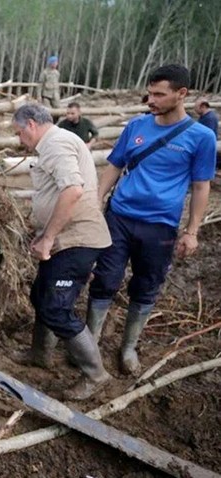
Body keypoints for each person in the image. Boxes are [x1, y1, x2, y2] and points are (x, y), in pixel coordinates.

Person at [86, 65, 217, 376]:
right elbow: (114, 166)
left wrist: (192, 231)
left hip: (160, 225)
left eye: (160, 94)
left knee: (146, 285)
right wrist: (96, 202)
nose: (151, 99)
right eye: (150, 92)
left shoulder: (202, 137)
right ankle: (89, 343)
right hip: (119, 217)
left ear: (181, 94)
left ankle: (128, 346)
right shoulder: (136, 127)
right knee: (105, 278)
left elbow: (201, 186)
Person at [10, 103, 112, 400]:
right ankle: (40, 354)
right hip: (64, 237)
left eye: (19, 133)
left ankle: (96, 374)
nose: (19, 140)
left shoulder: (56, 143)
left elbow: (73, 190)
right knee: (40, 295)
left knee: (56, 308)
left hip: (77, 238)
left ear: (30, 124)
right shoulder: (55, 143)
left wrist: (47, 237)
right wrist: (45, 233)